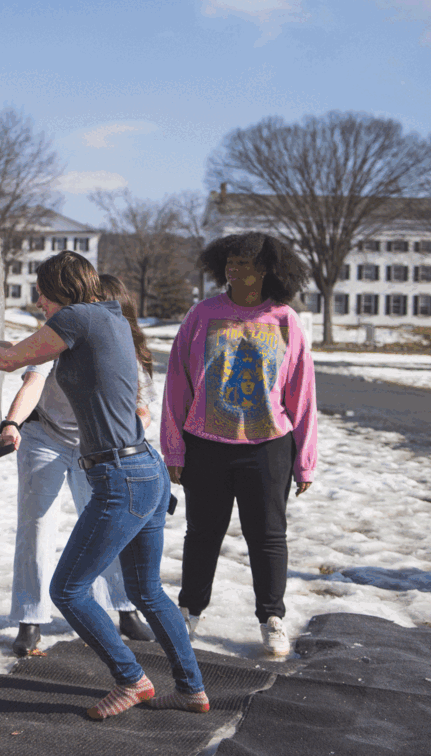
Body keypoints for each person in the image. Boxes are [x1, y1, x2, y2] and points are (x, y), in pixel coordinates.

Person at [0, 251, 207, 720]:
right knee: (149, 591)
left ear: (59, 287)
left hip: (120, 477)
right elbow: (18, 346)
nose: (37, 300)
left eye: (40, 291)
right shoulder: (107, 317)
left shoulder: (78, 318)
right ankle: (191, 689)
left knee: (70, 589)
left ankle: (131, 680)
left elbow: (8, 359)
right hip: (145, 470)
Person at [159, 231, 317, 658]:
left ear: (266, 270)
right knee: (202, 534)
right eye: (229, 262)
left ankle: (272, 617)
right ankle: (188, 612)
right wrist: (174, 449)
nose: (233, 269)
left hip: (267, 447)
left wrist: (304, 461)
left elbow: (302, 394)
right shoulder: (202, 314)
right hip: (206, 445)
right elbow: (177, 382)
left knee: (267, 536)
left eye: (243, 263)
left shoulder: (285, 319)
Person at [0, 274, 156, 657]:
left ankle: (123, 608)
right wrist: (13, 422)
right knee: (36, 524)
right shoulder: (62, 333)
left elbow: (142, 412)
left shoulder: (126, 350)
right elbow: (33, 382)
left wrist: (120, 437)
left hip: (96, 448)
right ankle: (30, 618)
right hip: (45, 437)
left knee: (108, 527)